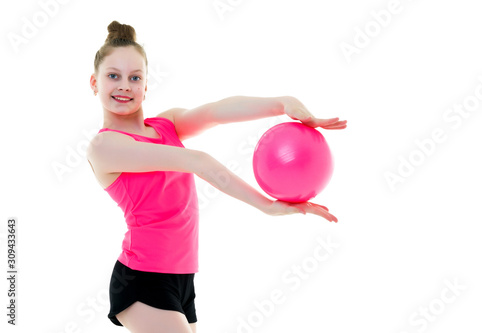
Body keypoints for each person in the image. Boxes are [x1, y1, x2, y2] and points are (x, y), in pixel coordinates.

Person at [87, 20, 347, 333]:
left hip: (182, 277)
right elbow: (197, 161)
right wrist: (268, 206)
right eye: (113, 76)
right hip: (142, 279)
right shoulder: (105, 146)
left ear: (145, 85)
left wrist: (281, 103)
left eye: (135, 77)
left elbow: (216, 112)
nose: (125, 85)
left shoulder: (166, 124)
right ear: (94, 83)